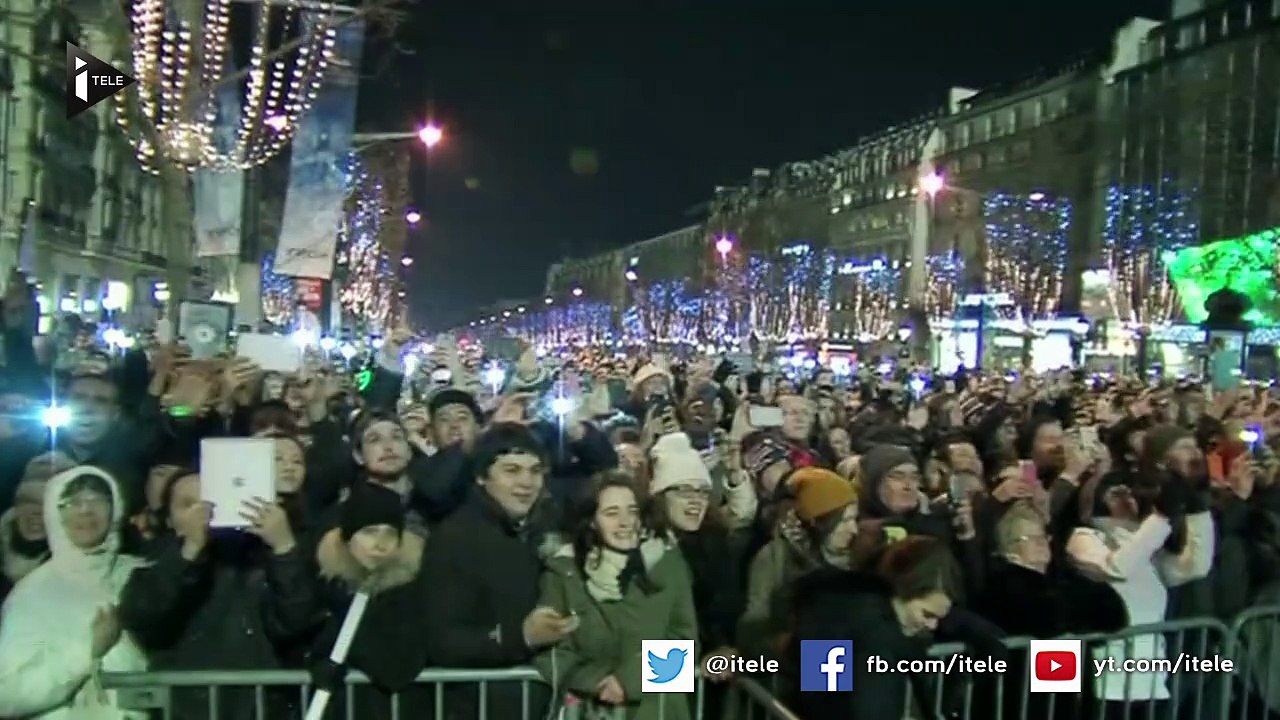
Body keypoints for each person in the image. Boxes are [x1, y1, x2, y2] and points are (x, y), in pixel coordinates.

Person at [118, 468, 313, 720]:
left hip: (261, 709)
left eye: (211, 502)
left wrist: (284, 547)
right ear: (167, 518)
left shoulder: (262, 563)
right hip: (184, 710)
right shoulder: (154, 565)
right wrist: (188, 552)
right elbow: (144, 616)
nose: (202, 512)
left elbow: (297, 621)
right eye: (188, 505)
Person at [421, 423, 563, 719]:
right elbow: (443, 640)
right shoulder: (458, 538)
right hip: (488, 707)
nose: (527, 482)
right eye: (512, 470)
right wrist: (520, 637)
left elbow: (676, 643)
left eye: (535, 471)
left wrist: (637, 683)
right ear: (481, 477)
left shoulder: (660, 561)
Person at [535, 474, 697, 720]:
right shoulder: (564, 572)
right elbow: (551, 652)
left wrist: (629, 682)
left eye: (632, 511)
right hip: (590, 710)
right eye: (611, 513)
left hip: (659, 710)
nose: (625, 522)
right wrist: (595, 682)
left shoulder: (668, 564)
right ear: (591, 521)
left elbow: (687, 645)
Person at [789, 535, 999, 720]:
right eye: (927, 615)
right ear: (902, 591)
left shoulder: (847, 606)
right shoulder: (872, 635)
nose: (932, 625)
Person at [0, 466, 148, 719]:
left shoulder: (139, 574)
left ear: (116, 508)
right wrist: (86, 650)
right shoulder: (34, 593)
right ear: (53, 513)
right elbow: (7, 696)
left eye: (97, 499)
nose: (85, 511)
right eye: (71, 502)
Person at [309, 483, 433, 720]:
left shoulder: (409, 589)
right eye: (369, 531)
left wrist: (344, 648)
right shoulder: (326, 586)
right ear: (347, 538)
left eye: (390, 533)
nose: (380, 543)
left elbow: (398, 668)